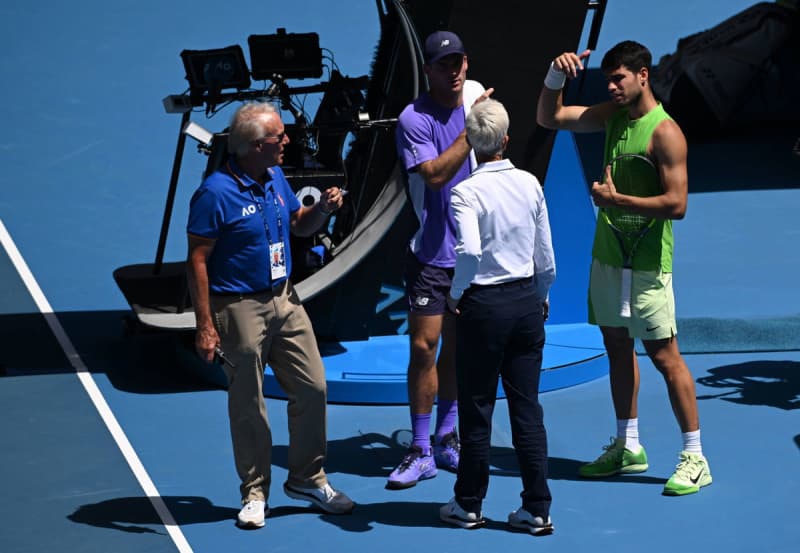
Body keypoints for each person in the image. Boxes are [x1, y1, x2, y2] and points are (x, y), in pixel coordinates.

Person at [536, 41, 712, 496]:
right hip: (609, 257)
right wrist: (557, 74)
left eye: (619, 79)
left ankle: (695, 456)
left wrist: (618, 201)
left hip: (651, 264)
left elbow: (677, 204)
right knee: (616, 347)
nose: (611, 87)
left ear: (643, 76)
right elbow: (549, 117)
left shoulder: (665, 133)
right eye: (608, 79)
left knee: (663, 356)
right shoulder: (610, 117)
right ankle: (627, 445)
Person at [186, 102, 354, 529]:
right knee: (249, 404)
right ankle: (254, 492)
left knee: (313, 386)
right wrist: (205, 325)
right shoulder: (214, 194)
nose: (288, 141)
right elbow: (198, 261)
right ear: (257, 145)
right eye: (280, 136)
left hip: (285, 298)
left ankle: (306, 478)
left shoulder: (274, 176)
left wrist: (323, 212)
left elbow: (298, 224)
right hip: (238, 307)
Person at [438, 99, 556, 535]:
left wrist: (455, 294)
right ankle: (537, 509)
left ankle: (468, 503)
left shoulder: (465, 192)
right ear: (506, 141)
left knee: (476, 409)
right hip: (527, 304)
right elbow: (546, 257)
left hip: (483, 309)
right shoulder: (529, 183)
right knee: (527, 408)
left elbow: (467, 252)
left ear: (470, 143)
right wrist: (540, 295)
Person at [389, 30, 493, 489]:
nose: (452, 72)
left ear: (466, 65)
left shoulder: (473, 96)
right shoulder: (413, 119)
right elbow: (433, 176)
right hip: (432, 255)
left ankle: (447, 437)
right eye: (442, 65)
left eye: (458, 63)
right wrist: (472, 132)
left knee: (457, 348)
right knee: (423, 348)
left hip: (472, 255)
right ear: (428, 69)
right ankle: (420, 448)